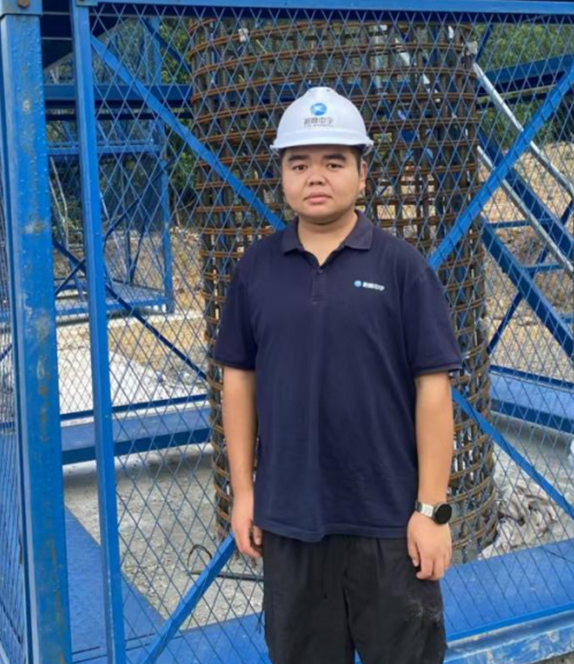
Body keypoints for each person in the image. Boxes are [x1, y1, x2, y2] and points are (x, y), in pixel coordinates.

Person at [214, 87, 463, 664]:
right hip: (291, 523)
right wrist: (244, 494)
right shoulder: (255, 270)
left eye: (333, 162)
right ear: (282, 175)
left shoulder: (402, 268)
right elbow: (238, 384)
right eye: (299, 164)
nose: (316, 177)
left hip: (390, 526)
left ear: (362, 174)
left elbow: (433, 391)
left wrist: (432, 511)